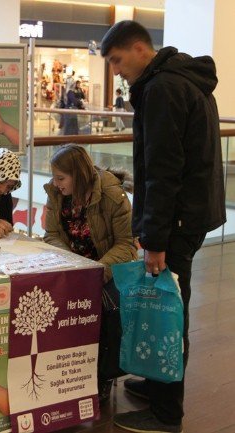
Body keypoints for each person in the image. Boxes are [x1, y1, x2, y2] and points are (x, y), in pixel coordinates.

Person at [101, 20, 226, 433]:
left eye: (117, 60)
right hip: (191, 214)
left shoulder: (161, 90)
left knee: (169, 314)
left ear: (140, 49)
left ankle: (166, 411)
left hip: (176, 221)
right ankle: (158, 385)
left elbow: (163, 170)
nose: (116, 71)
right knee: (167, 304)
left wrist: (155, 239)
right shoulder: (185, 80)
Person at [43, 144, 137, 401]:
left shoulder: (111, 194)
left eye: (61, 178)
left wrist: (97, 271)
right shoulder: (56, 194)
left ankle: (102, 374)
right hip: (72, 266)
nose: (56, 183)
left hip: (107, 267)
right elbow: (51, 235)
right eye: (54, 177)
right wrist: (71, 264)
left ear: (79, 175)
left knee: (108, 308)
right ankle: (59, 370)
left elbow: (126, 244)